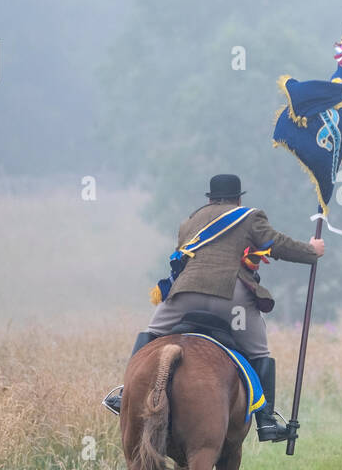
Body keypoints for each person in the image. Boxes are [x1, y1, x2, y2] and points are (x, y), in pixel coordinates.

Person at [104, 174, 325, 442]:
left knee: (152, 332)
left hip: (185, 295)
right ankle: (266, 421)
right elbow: (274, 244)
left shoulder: (190, 222)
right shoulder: (249, 216)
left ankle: (126, 394)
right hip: (230, 299)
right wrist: (311, 250)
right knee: (259, 351)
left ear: (210, 198)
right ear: (238, 198)